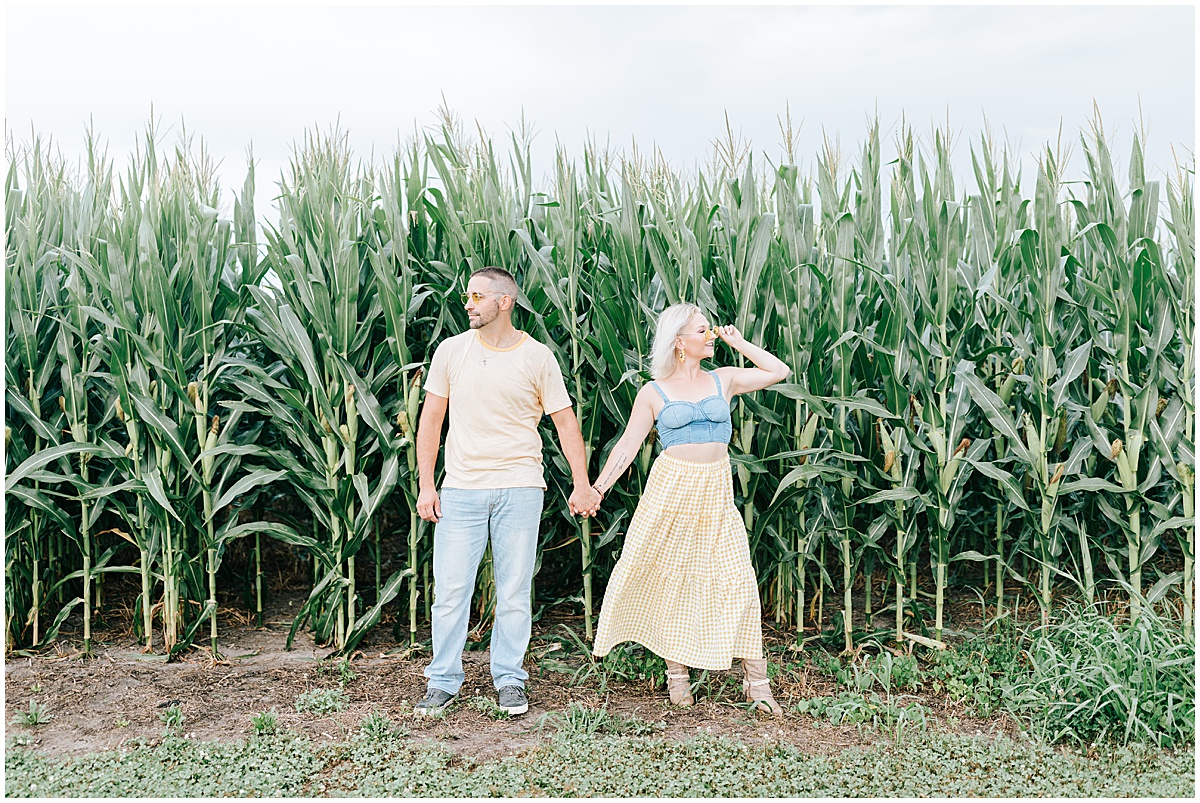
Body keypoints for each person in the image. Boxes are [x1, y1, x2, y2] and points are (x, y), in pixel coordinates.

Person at [413, 266, 601, 717]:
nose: (469, 304)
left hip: (520, 487)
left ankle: (510, 679)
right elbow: (431, 422)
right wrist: (426, 484)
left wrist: (581, 483)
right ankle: (442, 681)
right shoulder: (451, 351)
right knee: (451, 591)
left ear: (504, 301)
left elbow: (565, 423)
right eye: (466, 296)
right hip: (460, 489)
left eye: (477, 296)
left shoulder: (537, 358)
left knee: (515, 591)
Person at [590, 303, 790, 714]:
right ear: (679, 342)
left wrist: (740, 342)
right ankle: (677, 678)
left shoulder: (724, 380)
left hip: (715, 494)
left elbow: (778, 371)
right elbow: (627, 446)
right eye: (703, 331)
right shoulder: (653, 391)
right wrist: (598, 489)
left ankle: (758, 684)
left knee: (739, 581)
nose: (711, 335)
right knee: (670, 581)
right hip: (671, 493)